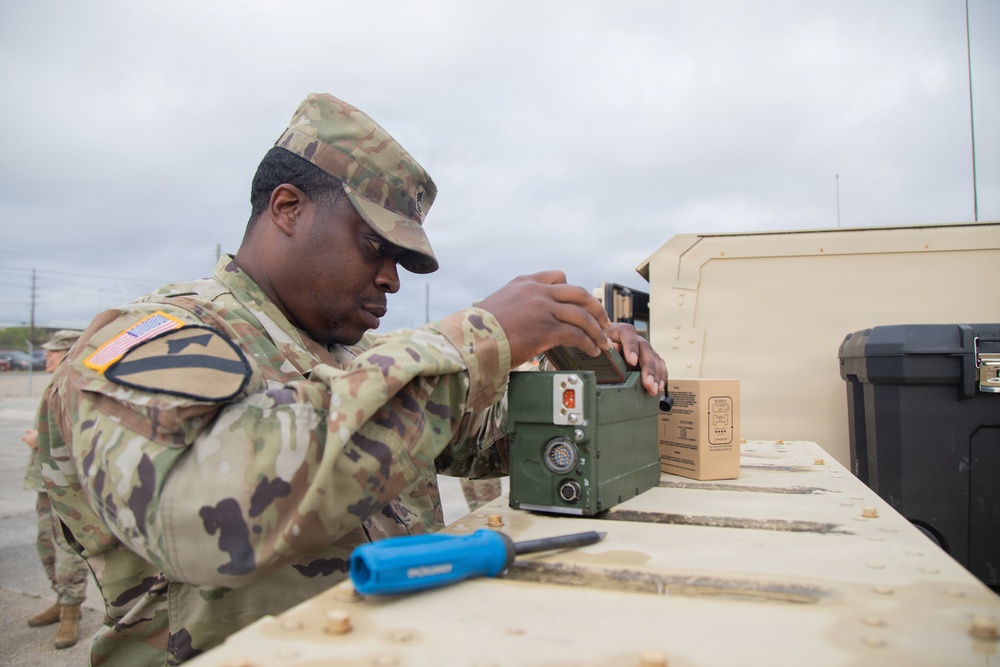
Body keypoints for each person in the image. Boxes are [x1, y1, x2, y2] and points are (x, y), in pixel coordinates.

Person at [35, 93, 668, 665]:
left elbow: (488, 442)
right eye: (374, 246)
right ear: (288, 208)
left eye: (401, 260)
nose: (393, 278)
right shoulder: (156, 340)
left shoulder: (351, 353)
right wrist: (476, 338)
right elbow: (205, 521)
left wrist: (585, 366)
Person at [21, 329, 89, 649]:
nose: (46, 356)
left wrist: (39, 440)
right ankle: (61, 602)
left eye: (53, 351)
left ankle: (72, 613)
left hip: (65, 482)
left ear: (68, 352)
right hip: (46, 478)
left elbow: (82, 433)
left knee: (66, 550)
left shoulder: (76, 383)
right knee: (45, 544)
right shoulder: (56, 381)